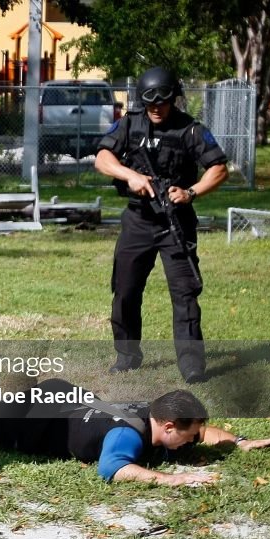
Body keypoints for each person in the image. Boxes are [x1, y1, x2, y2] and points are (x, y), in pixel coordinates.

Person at [0, 378, 270, 487]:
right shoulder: (127, 437)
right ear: (168, 427)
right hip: (31, 419)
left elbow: (203, 432)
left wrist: (240, 443)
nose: (191, 442)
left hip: (60, 397)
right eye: (186, 436)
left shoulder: (157, 413)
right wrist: (172, 479)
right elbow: (111, 469)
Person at [94, 67, 229, 383]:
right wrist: (131, 176)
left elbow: (219, 168)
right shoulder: (130, 123)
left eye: (163, 103)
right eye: (150, 103)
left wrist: (190, 192)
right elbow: (102, 158)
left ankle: (192, 365)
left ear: (173, 99)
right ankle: (127, 356)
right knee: (125, 291)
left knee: (185, 294)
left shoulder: (191, 130)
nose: (156, 109)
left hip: (175, 223)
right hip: (138, 221)